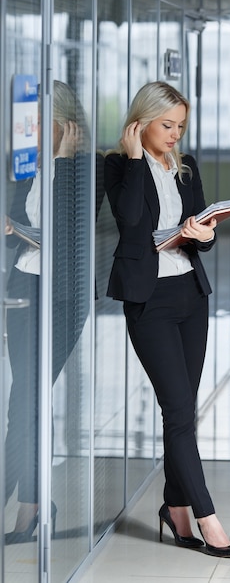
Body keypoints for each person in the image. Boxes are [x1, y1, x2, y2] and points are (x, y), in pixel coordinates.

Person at [104, 81, 230, 558]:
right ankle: (207, 518)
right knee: (177, 411)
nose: (176, 134)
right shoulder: (118, 165)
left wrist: (203, 233)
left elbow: (203, 235)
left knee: (184, 412)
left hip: (189, 295)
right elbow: (131, 220)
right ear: (141, 122)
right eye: (167, 125)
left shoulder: (187, 167)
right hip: (149, 300)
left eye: (181, 125)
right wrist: (136, 158)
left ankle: (175, 507)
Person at [4, 80, 98, 544]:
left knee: (28, 399)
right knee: (24, 400)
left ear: (65, 124)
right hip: (22, 288)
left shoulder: (85, 170)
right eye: (30, 121)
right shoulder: (22, 167)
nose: (33, 129)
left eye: (42, 121)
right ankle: (32, 507)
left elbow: (65, 238)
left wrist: (61, 162)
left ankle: (23, 508)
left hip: (63, 296)